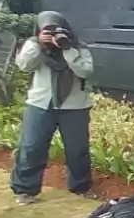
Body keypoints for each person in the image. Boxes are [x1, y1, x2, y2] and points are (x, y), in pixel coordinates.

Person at [11, 11, 93, 204]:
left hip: (74, 106)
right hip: (40, 103)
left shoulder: (78, 47)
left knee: (77, 149)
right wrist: (39, 44)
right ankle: (25, 191)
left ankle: (81, 187)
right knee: (32, 147)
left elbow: (85, 70)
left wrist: (66, 48)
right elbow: (24, 65)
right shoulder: (33, 44)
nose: (52, 33)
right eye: (47, 29)